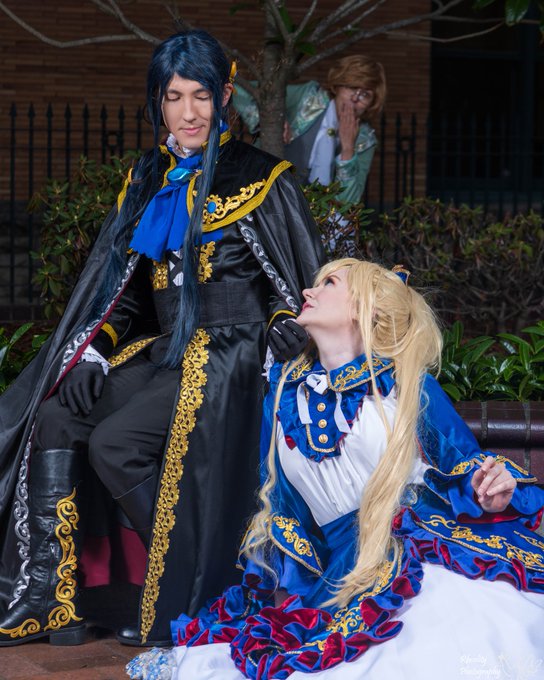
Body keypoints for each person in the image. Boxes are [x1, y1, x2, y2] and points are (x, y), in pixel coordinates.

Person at [0, 30, 325, 648]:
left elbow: (300, 283)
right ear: (158, 102)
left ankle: (197, 585)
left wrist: (284, 326)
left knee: (116, 444)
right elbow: (123, 291)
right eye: (173, 97)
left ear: (224, 96)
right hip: (166, 352)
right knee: (58, 418)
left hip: (230, 359)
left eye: (200, 95)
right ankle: (50, 597)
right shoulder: (148, 175)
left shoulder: (262, 177)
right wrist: (96, 350)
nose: (188, 112)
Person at [127, 259, 544, 679]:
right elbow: (283, 510)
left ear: (366, 308)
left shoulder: (405, 383)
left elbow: (465, 467)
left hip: (418, 548)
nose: (308, 292)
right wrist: (281, 595)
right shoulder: (283, 395)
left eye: (329, 283)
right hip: (342, 570)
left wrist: (490, 488)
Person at [234, 55, 386, 205]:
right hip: (263, 197)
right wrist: (271, 120)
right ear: (337, 86)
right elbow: (238, 89)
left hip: (317, 216)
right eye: (351, 87)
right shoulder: (308, 98)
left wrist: (348, 151)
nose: (355, 98)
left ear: (372, 103)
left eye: (365, 95)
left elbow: (348, 203)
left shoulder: (365, 140)